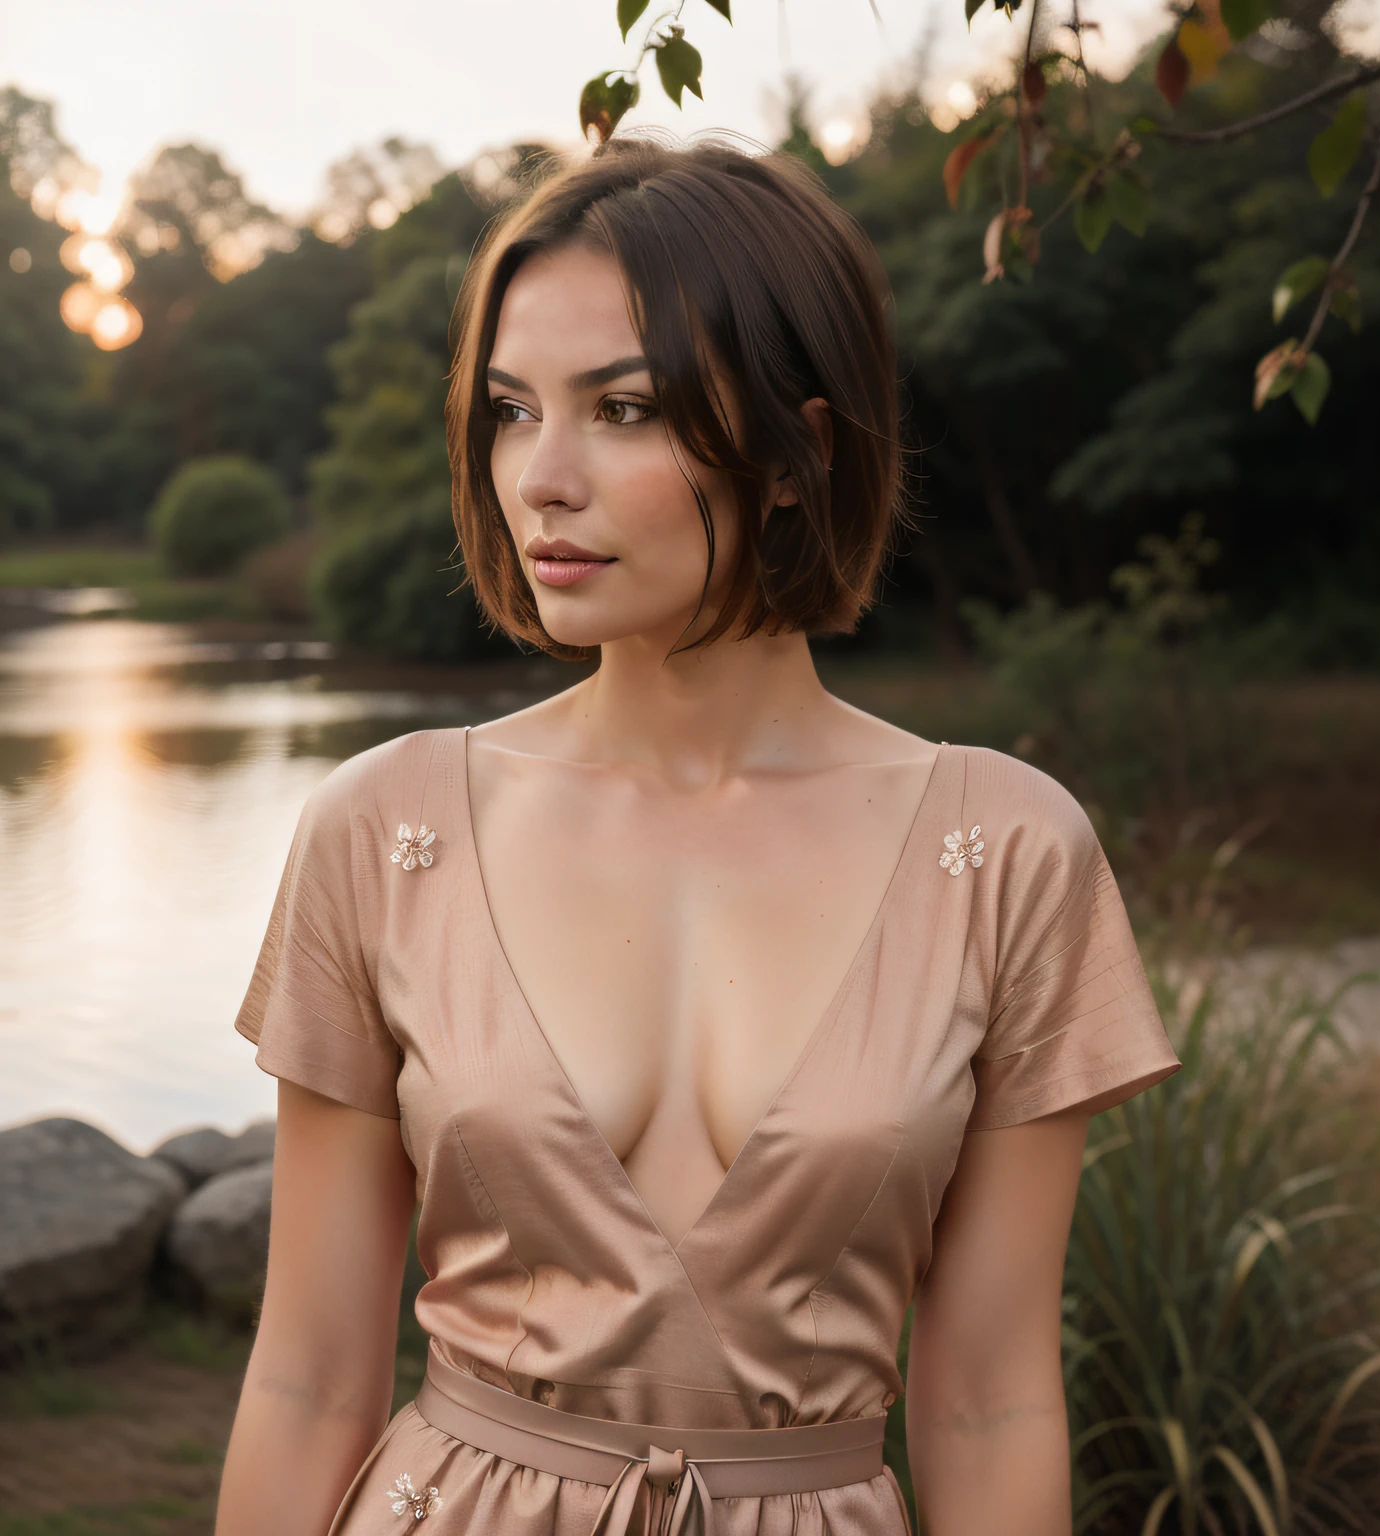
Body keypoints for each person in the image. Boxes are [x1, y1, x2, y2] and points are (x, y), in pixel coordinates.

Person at [214, 135, 1181, 1536]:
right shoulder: (385, 828)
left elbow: (988, 1401)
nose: (539, 477)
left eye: (621, 408)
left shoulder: (1010, 853)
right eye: (507, 410)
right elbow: (308, 1378)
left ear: (797, 453)